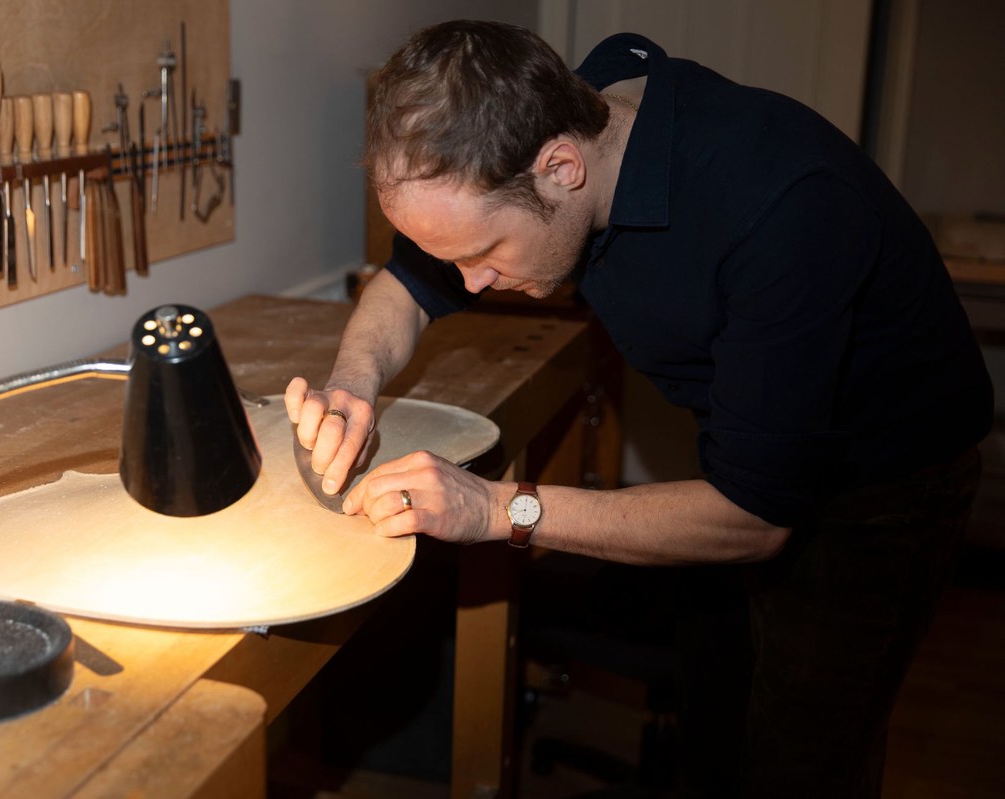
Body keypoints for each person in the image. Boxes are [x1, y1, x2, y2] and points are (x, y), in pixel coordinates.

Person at [285, 19, 993, 798]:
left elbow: (754, 518)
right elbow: (409, 286)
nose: (472, 285)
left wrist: (495, 508)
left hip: (887, 481)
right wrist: (352, 382)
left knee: (802, 758)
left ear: (561, 168)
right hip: (746, 444)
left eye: (485, 256)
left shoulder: (782, 206)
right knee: (715, 715)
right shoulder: (568, 117)